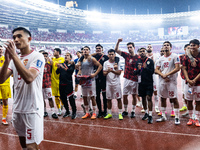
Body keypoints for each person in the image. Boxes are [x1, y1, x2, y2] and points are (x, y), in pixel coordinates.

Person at [0, 27, 45, 149]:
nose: (16, 39)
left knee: (31, 146)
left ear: (29, 39)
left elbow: (29, 78)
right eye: (14, 37)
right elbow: (1, 79)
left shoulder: (38, 56)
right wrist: (7, 60)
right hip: (18, 108)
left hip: (32, 109)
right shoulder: (14, 59)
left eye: (19, 36)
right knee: (23, 143)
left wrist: (14, 56)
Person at [155, 41, 180, 125]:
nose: (166, 46)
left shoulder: (175, 56)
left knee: (174, 98)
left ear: (170, 47)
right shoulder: (160, 59)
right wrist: (162, 75)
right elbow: (156, 70)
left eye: (167, 45)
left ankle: (177, 117)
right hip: (162, 81)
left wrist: (167, 75)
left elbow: (177, 68)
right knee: (162, 98)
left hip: (171, 81)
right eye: (164, 45)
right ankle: (163, 116)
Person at [115, 38, 140, 118]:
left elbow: (141, 68)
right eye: (128, 47)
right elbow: (116, 50)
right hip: (126, 78)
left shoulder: (138, 58)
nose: (129, 49)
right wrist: (118, 42)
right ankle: (125, 110)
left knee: (133, 95)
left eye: (130, 47)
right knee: (125, 95)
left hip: (134, 79)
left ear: (134, 48)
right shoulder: (126, 55)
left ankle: (133, 111)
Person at [78, 46, 102, 120]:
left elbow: (100, 66)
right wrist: (79, 74)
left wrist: (94, 74)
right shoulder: (81, 59)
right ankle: (87, 113)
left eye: (87, 50)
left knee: (92, 97)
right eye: (84, 50)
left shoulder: (92, 59)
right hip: (83, 80)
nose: (85, 51)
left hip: (91, 80)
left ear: (89, 51)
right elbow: (79, 68)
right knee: (84, 97)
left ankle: (94, 113)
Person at [182, 39, 200, 127]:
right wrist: (188, 79)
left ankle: (197, 118)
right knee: (189, 101)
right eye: (191, 45)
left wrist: (195, 80)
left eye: (194, 45)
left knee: (198, 101)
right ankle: (190, 118)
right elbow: (184, 68)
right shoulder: (187, 57)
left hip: (198, 83)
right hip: (188, 82)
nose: (192, 47)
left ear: (198, 46)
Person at [134, 48, 154, 123]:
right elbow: (135, 72)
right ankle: (146, 113)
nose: (142, 52)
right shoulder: (137, 62)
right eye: (140, 51)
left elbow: (152, 71)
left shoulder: (150, 61)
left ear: (145, 52)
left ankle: (150, 115)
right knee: (143, 98)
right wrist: (139, 69)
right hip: (141, 83)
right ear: (138, 53)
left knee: (149, 97)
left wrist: (146, 68)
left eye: (143, 51)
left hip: (149, 82)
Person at [103, 49, 123, 120]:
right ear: (108, 55)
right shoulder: (105, 63)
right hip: (108, 84)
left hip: (116, 84)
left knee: (119, 98)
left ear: (115, 55)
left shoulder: (118, 63)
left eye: (112, 54)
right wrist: (108, 72)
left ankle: (120, 114)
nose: (111, 56)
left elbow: (119, 73)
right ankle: (109, 114)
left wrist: (112, 70)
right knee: (108, 99)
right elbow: (104, 73)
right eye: (110, 54)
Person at [56, 53, 77, 119]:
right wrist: (58, 68)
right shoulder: (61, 64)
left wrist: (63, 67)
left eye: (67, 55)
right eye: (65, 55)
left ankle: (74, 112)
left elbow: (70, 71)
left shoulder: (72, 64)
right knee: (63, 98)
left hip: (68, 84)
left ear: (70, 58)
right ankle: (67, 111)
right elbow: (57, 72)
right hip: (61, 84)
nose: (66, 56)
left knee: (71, 99)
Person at [42, 52, 58, 119]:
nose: (45, 57)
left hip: (48, 84)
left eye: (46, 56)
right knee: (42, 99)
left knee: (50, 98)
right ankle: (44, 111)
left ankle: (53, 112)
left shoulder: (49, 65)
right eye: (43, 56)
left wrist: (50, 61)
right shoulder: (38, 65)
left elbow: (53, 70)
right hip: (40, 85)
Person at [146, 44, 160, 113]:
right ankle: (145, 106)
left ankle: (156, 106)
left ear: (152, 48)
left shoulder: (156, 56)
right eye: (148, 47)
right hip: (146, 76)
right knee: (146, 92)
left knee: (155, 91)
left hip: (153, 75)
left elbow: (157, 66)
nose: (149, 48)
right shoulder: (144, 56)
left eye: (150, 47)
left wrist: (152, 61)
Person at [51, 48, 65, 115]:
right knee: (56, 96)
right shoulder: (52, 59)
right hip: (53, 80)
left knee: (61, 95)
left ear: (58, 52)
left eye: (54, 51)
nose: (53, 52)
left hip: (61, 79)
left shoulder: (62, 59)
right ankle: (59, 109)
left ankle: (62, 105)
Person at [0, 45, 11, 125]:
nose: (0, 51)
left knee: (5, 101)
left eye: (1, 49)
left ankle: (4, 118)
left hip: (5, 83)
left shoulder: (6, 59)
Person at [179, 44, 190, 113]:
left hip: (193, 78)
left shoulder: (196, 57)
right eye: (188, 48)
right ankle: (185, 106)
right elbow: (179, 66)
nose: (189, 49)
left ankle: (194, 111)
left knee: (195, 94)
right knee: (184, 92)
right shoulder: (181, 57)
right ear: (185, 49)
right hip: (184, 78)